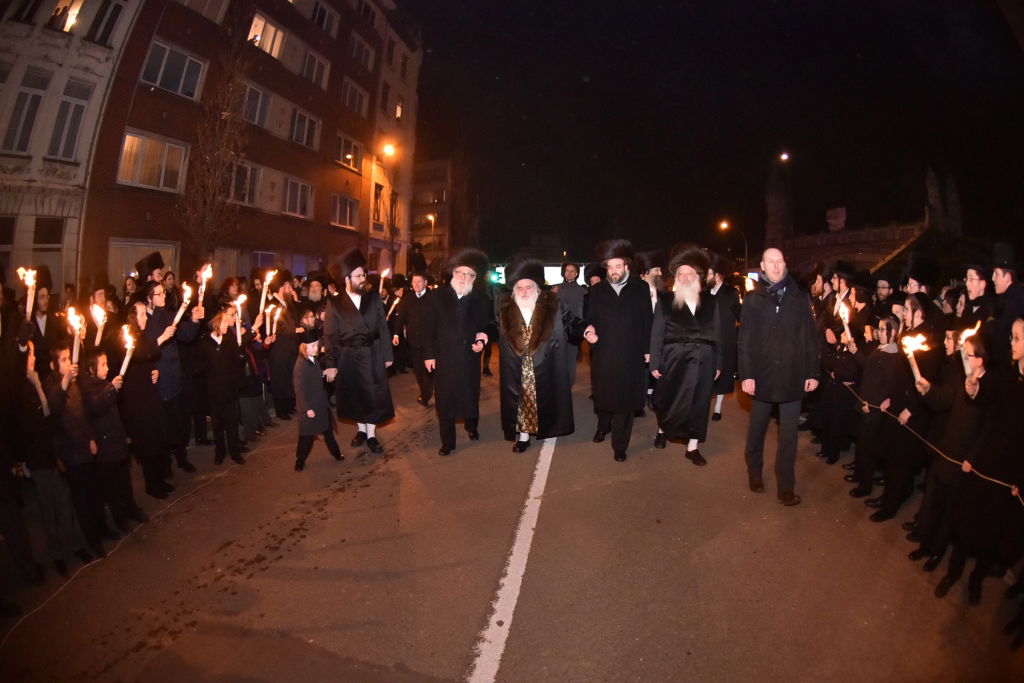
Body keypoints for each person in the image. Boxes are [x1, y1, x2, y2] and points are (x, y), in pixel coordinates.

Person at [938, 318, 1024, 604]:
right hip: (984, 463)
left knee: (991, 531)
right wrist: (974, 389)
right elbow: (986, 398)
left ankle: (975, 581)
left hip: (1010, 473)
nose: (1011, 343)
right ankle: (953, 572)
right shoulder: (1006, 375)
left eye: (1016, 338)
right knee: (966, 521)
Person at [738, 247, 820, 505]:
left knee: (789, 435)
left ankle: (786, 485)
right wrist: (747, 375)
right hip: (762, 375)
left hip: (792, 376)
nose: (775, 266)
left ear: (785, 264)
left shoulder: (799, 296)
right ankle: (755, 472)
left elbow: (810, 336)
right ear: (762, 265)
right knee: (758, 428)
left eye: (780, 261)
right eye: (770, 262)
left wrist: (812, 371)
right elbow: (745, 341)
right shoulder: (753, 299)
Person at [907, 330, 988, 572]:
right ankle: (924, 542)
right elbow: (942, 400)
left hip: (962, 462)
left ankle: (936, 551)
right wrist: (928, 389)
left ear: (980, 359)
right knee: (931, 500)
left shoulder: (987, 391)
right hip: (944, 452)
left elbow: (986, 432)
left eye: (967, 353)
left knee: (947, 511)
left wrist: (971, 459)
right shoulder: (959, 380)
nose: (962, 356)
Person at [496, 256, 594, 452]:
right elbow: (494, 325)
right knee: (522, 399)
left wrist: (585, 329)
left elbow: (570, 319)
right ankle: (523, 436)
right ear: (515, 290)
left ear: (537, 289)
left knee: (543, 398)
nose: (524, 292)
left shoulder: (552, 304)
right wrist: (483, 334)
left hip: (545, 362)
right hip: (517, 364)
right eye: (520, 288)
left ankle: (545, 428)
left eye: (529, 287)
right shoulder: (505, 306)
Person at [649, 245, 722, 465]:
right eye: (681, 274)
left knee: (699, 403)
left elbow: (718, 333)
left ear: (697, 277)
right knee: (667, 398)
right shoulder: (666, 301)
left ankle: (692, 447)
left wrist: (718, 362)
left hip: (703, 360)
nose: (686, 277)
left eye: (690, 273)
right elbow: (657, 332)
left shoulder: (710, 301)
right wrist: (655, 361)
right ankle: (663, 430)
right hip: (673, 359)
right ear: (677, 278)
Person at [585, 239, 653, 462]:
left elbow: (647, 320)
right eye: (610, 267)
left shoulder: (640, 288)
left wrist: (648, 349)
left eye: (618, 266)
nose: (613, 271)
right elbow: (590, 320)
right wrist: (589, 333)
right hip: (604, 354)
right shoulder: (597, 291)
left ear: (626, 266)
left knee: (624, 401)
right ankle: (602, 427)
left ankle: (620, 446)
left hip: (631, 355)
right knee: (603, 398)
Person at [423, 247, 496, 456]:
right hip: (444, 357)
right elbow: (428, 328)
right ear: (453, 273)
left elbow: (490, 324)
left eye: (469, 275)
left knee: (470, 396)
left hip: (469, 357)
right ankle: (448, 442)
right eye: (460, 273)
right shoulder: (436, 297)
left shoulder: (481, 299)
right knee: (444, 399)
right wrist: (428, 354)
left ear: (475, 278)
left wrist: (483, 338)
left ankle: (471, 426)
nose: (464, 278)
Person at [323, 249, 395, 454]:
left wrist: (388, 354)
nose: (363, 279)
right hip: (348, 357)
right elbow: (330, 336)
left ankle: (371, 435)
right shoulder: (334, 302)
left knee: (372, 394)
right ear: (347, 279)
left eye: (363, 275)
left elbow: (382, 327)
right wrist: (330, 365)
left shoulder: (373, 298)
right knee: (355, 395)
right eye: (358, 276)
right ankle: (361, 430)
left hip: (371, 353)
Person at [43, 341, 110, 558]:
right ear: (54, 366)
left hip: (85, 446)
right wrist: (65, 380)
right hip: (70, 453)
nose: (68, 363)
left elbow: (84, 413)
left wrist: (91, 437)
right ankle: (93, 540)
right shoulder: (52, 385)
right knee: (82, 500)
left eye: (67, 358)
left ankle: (102, 528)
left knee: (95, 492)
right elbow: (54, 406)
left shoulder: (75, 383)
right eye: (62, 360)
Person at [79, 348, 147, 532]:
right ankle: (120, 518)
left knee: (124, 480)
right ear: (92, 369)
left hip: (118, 440)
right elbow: (96, 406)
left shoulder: (104, 383)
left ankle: (131, 509)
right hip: (105, 447)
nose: (107, 368)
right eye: (103, 365)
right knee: (112, 486)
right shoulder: (88, 388)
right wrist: (111, 389)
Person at [145, 280, 203, 474]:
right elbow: (142, 349)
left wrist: (194, 321)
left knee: (179, 423)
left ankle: (181, 458)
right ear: (149, 298)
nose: (164, 296)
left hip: (174, 378)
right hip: (156, 382)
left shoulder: (169, 315)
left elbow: (186, 334)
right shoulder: (143, 320)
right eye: (159, 294)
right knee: (162, 428)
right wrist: (160, 338)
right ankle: (165, 466)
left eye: (164, 293)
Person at [121, 302, 170, 499]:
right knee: (148, 443)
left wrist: (154, 370)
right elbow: (139, 354)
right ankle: (152, 485)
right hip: (137, 400)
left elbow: (149, 358)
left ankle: (160, 480)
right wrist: (162, 339)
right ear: (133, 316)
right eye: (141, 314)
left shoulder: (142, 335)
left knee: (157, 438)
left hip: (149, 394)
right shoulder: (127, 336)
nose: (145, 317)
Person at [198, 304, 249, 465]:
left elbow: (239, 360)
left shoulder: (229, 340)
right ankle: (219, 452)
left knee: (231, 422)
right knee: (217, 424)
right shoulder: (206, 342)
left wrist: (241, 353)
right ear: (217, 324)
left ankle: (234, 451)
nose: (228, 325)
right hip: (213, 390)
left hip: (229, 388)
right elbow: (199, 364)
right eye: (225, 323)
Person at [293, 328, 343, 470]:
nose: (317, 348)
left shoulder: (312, 360)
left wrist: (324, 372)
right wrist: (307, 408)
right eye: (313, 346)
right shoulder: (300, 366)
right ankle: (300, 460)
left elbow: (313, 375)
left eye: (317, 344)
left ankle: (337, 453)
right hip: (310, 407)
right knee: (306, 437)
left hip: (320, 404)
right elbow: (299, 389)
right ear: (304, 347)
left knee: (328, 432)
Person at [390, 271, 435, 407]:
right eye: (414, 282)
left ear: (425, 283)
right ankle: (425, 393)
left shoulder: (433, 298)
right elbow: (400, 318)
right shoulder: (407, 298)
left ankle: (429, 391)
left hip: (431, 341)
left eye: (419, 281)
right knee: (419, 369)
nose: (416, 284)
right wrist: (396, 334)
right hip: (414, 341)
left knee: (431, 369)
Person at [706, 252, 740, 421]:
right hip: (707, 341)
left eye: (709, 274)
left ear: (717, 275)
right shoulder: (704, 292)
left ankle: (718, 407)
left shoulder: (730, 293)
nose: (706, 277)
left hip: (725, 341)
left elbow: (739, 315)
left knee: (722, 376)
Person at [266, 269, 300, 420]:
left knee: (289, 378)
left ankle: (288, 405)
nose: (290, 289)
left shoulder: (286, 302)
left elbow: (295, 317)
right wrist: (295, 329)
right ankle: (281, 410)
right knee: (280, 379)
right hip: (279, 349)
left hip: (290, 347)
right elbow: (277, 327)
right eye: (288, 286)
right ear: (281, 287)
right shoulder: (272, 305)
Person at [990, 242, 1024, 366]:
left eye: (997, 274)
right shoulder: (1006, 300)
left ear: (1008, 277)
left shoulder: (1014, 302)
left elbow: (1002, 341)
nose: (993, 278)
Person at [553, 262, 585, 387]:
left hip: (573, 330)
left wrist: (581, 330)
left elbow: (582, 312)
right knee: (558, 359)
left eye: (572, 271)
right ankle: (558, 384)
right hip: (557, 329)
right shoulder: (556, 289)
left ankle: (568, 384)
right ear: (563, 272)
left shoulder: (582, 291)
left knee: (571, 359)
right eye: (567, 270)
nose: (569, 273)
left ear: (577, 274)